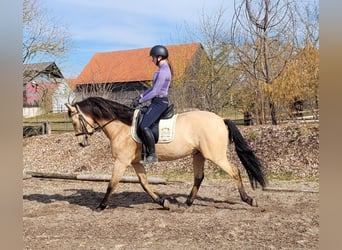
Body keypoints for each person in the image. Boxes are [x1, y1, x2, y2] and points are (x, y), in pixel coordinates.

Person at [135, 45, 172, 165]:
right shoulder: (162, 70)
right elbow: (152, 88)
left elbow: (156, 91)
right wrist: (141, 96)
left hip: (160, 102)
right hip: (156, 101)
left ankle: (152, 154)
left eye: (153, 57)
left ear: (159, 57)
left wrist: (141, 101)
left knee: (144, 126)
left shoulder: (164, 71)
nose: (152, 60)